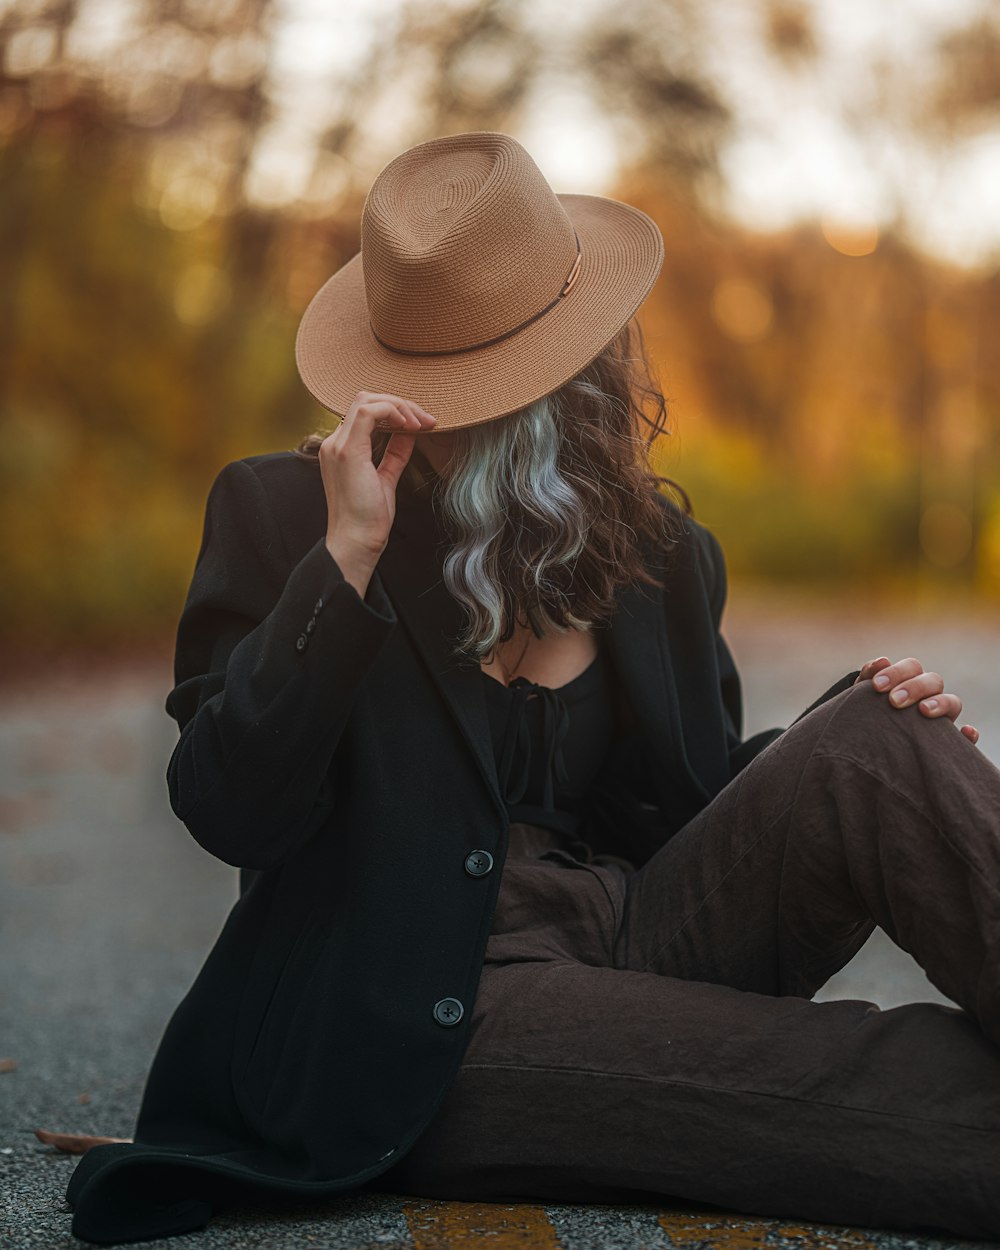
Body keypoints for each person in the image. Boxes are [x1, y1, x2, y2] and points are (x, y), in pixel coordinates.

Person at [66, 131, 1000, 1245]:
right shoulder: (291, 516)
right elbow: (231, 807)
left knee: (874, 734)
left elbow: (698, 803)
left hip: (635, 926)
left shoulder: (657, 547)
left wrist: (842, 734)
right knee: (867, 1075)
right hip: (428, 1002)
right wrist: (345, 562)